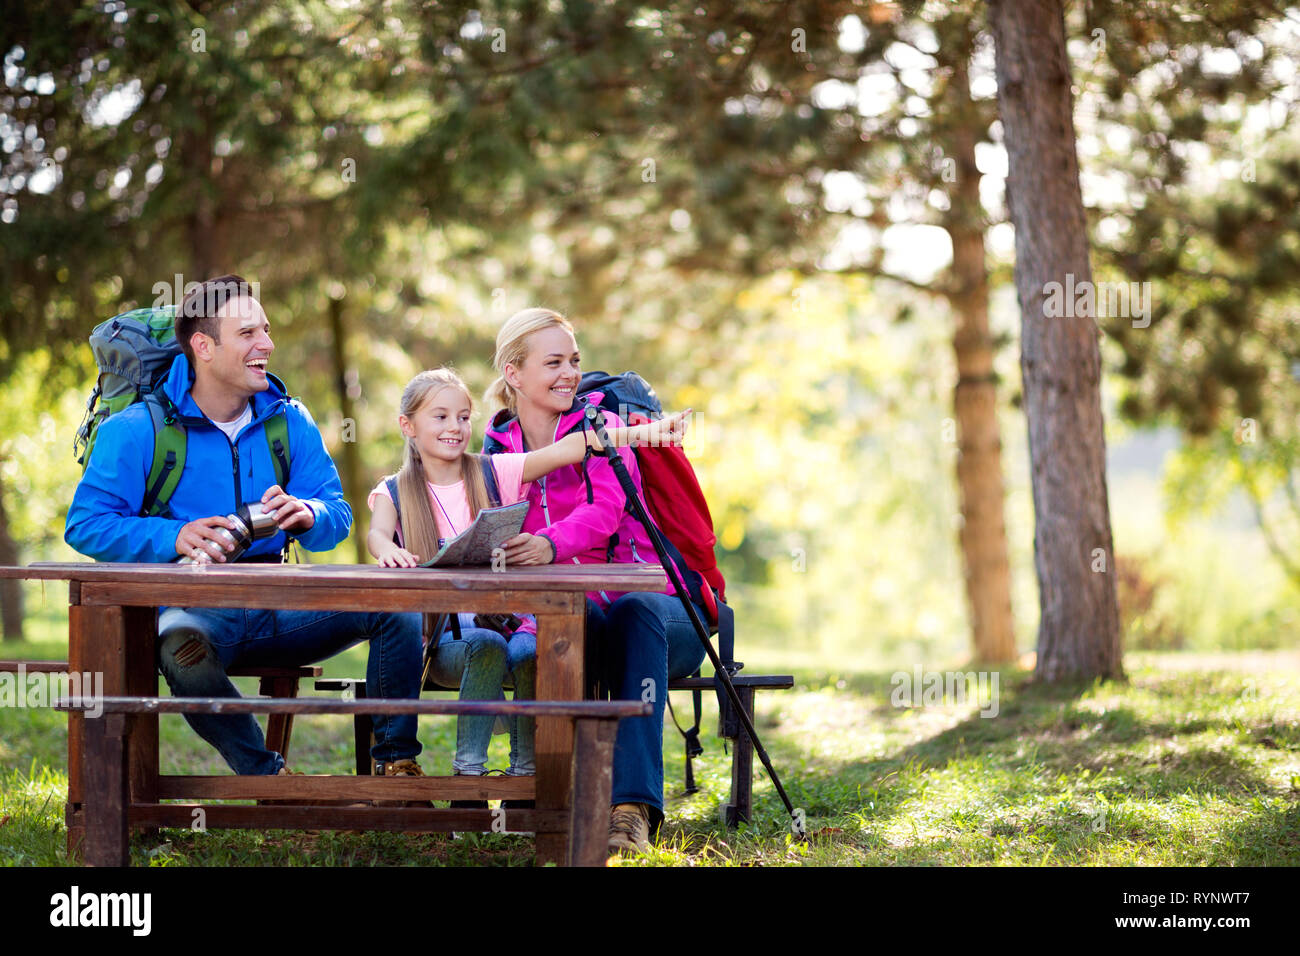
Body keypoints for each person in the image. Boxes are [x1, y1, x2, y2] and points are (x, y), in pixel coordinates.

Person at [64, 275, 425, 778]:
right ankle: (265, 774)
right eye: (248, 333)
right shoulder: (137, 430)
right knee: (180, 648)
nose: (267, 344)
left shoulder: (289, 421)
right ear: (203, 347)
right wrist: (172, 536)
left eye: (267, 330)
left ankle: (396, 765)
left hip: (286, 605)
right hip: (196, 610)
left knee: (398, 608)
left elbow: (336, 516)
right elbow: (85, 525)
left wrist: (309, 514)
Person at [366, 367, 687, 800]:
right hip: (444, 642)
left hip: (500, 623)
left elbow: (571, 447)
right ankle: (468, 780)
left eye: (463, 417)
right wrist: (385, 548)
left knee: (526, 648)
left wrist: (645, 434)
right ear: (408, 426)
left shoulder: (494, 472)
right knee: (487, 649)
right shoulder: (395, 490)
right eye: (440, 417)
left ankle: (526, 779)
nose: (455, 428)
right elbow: (377, 533)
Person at [482, 307, 710, 854]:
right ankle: (551, 798)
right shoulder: (494, 451)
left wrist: (550, 543)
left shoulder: (606, 432)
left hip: (663, 611)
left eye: (574, 361)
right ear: (513, 374)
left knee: (635, 611)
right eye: (553, 362)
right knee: (566, 620)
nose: (569, 374)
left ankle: (629, 810)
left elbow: (606, 510)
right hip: (574, 615)